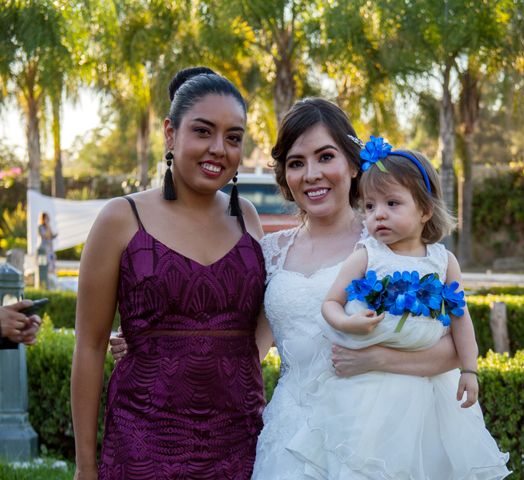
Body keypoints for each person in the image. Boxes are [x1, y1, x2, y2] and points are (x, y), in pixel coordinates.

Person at [110, 98, 464, 478]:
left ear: (351, 162)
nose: (311, 174)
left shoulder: (390, 245)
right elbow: (249, 342)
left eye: (325, 157)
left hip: (373, 434)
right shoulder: (271, 252)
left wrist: (378, 360)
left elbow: (453, 348)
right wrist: (161, 343)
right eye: (297, 163)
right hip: (291, 437)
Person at [71, 68, 269, 480]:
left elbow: (263, 322)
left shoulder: (247, 219)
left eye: (233, 137)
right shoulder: (122, 218)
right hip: (143, 444)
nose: (219, 149)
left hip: (242, 443)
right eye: (203, 131)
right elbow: (89, 348)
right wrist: (85, 467)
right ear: (170, 133)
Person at [285, 138, 511, 479]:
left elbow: (460, 320)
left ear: (424, 210)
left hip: (430, 387)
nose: (379, 215)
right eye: (371, 205)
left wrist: (470, 369)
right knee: (369, 463)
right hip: (371, 389)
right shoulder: (366, 255)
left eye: (392, 203)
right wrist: (348, 322)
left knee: (428, 462)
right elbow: (330, 302)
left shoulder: (442, 260)